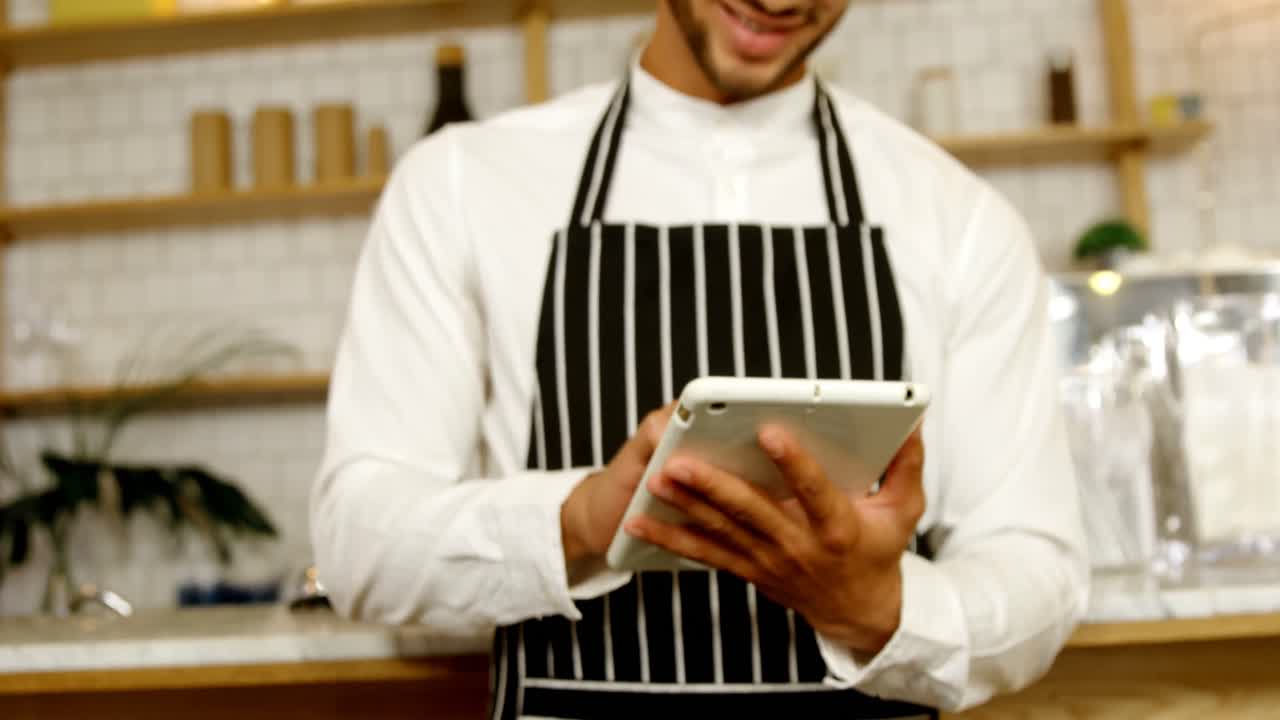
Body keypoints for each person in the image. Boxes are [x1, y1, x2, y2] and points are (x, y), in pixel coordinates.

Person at [311, 1, 1089, 717]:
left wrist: (880, 608)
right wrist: (580, 519)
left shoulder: (960, 219)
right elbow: (358, 542)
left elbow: (1039, 569)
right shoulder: (461, 185)